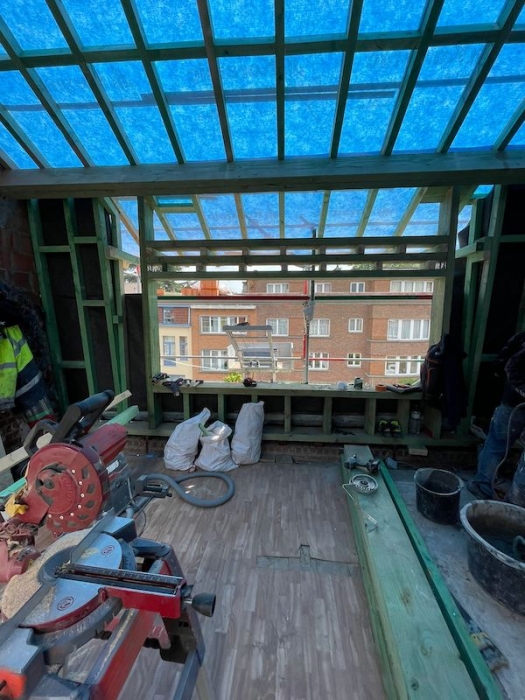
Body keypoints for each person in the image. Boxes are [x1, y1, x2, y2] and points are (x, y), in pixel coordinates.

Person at [467, 331, 525, 502]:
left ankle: (514, 504)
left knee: (496, 444)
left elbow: (502, 362)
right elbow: (509, 366)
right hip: (514, 403)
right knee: (497, 443)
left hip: (512, 401)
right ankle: (483, 487)